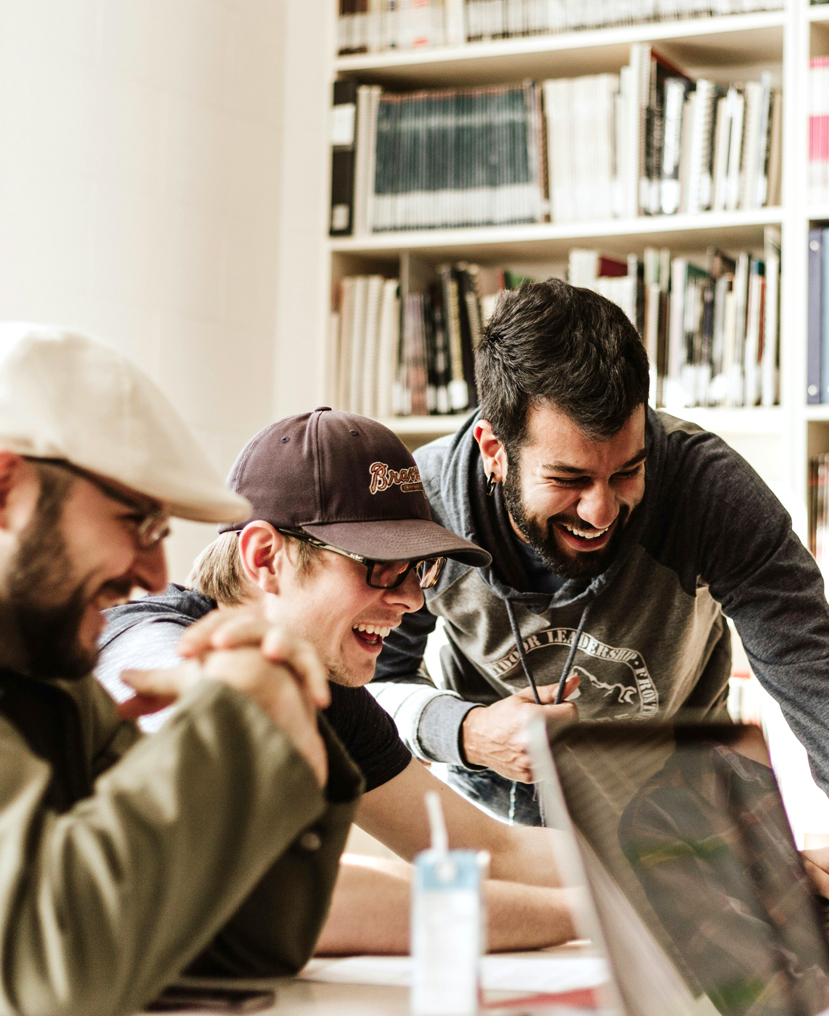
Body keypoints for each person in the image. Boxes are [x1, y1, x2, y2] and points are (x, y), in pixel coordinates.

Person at [0, 323, 362, 1016]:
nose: (156, 573)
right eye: (138, 523)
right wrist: (239, 718)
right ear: (1, 488)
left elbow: (236, 946)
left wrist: (280, 714)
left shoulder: (32, 658)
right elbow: (48, 972)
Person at [97, 407, 578, 954]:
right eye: (380, 565)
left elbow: (486, 850)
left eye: (418, 570)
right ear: (264, 558)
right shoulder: (151, 651)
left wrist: (660, 872)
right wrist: (594, 915)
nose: (412, 600)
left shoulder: (323, 688)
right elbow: (273, 893)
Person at [369, 278, 829, 826]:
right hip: (495, 811)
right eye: (569, 478)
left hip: (682, 803)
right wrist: (465, 732)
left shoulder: (708, 489)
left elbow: (811, 667)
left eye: (627, 471)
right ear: (494, 450)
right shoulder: (424, 506)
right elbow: (369, 684)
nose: (601, 511)